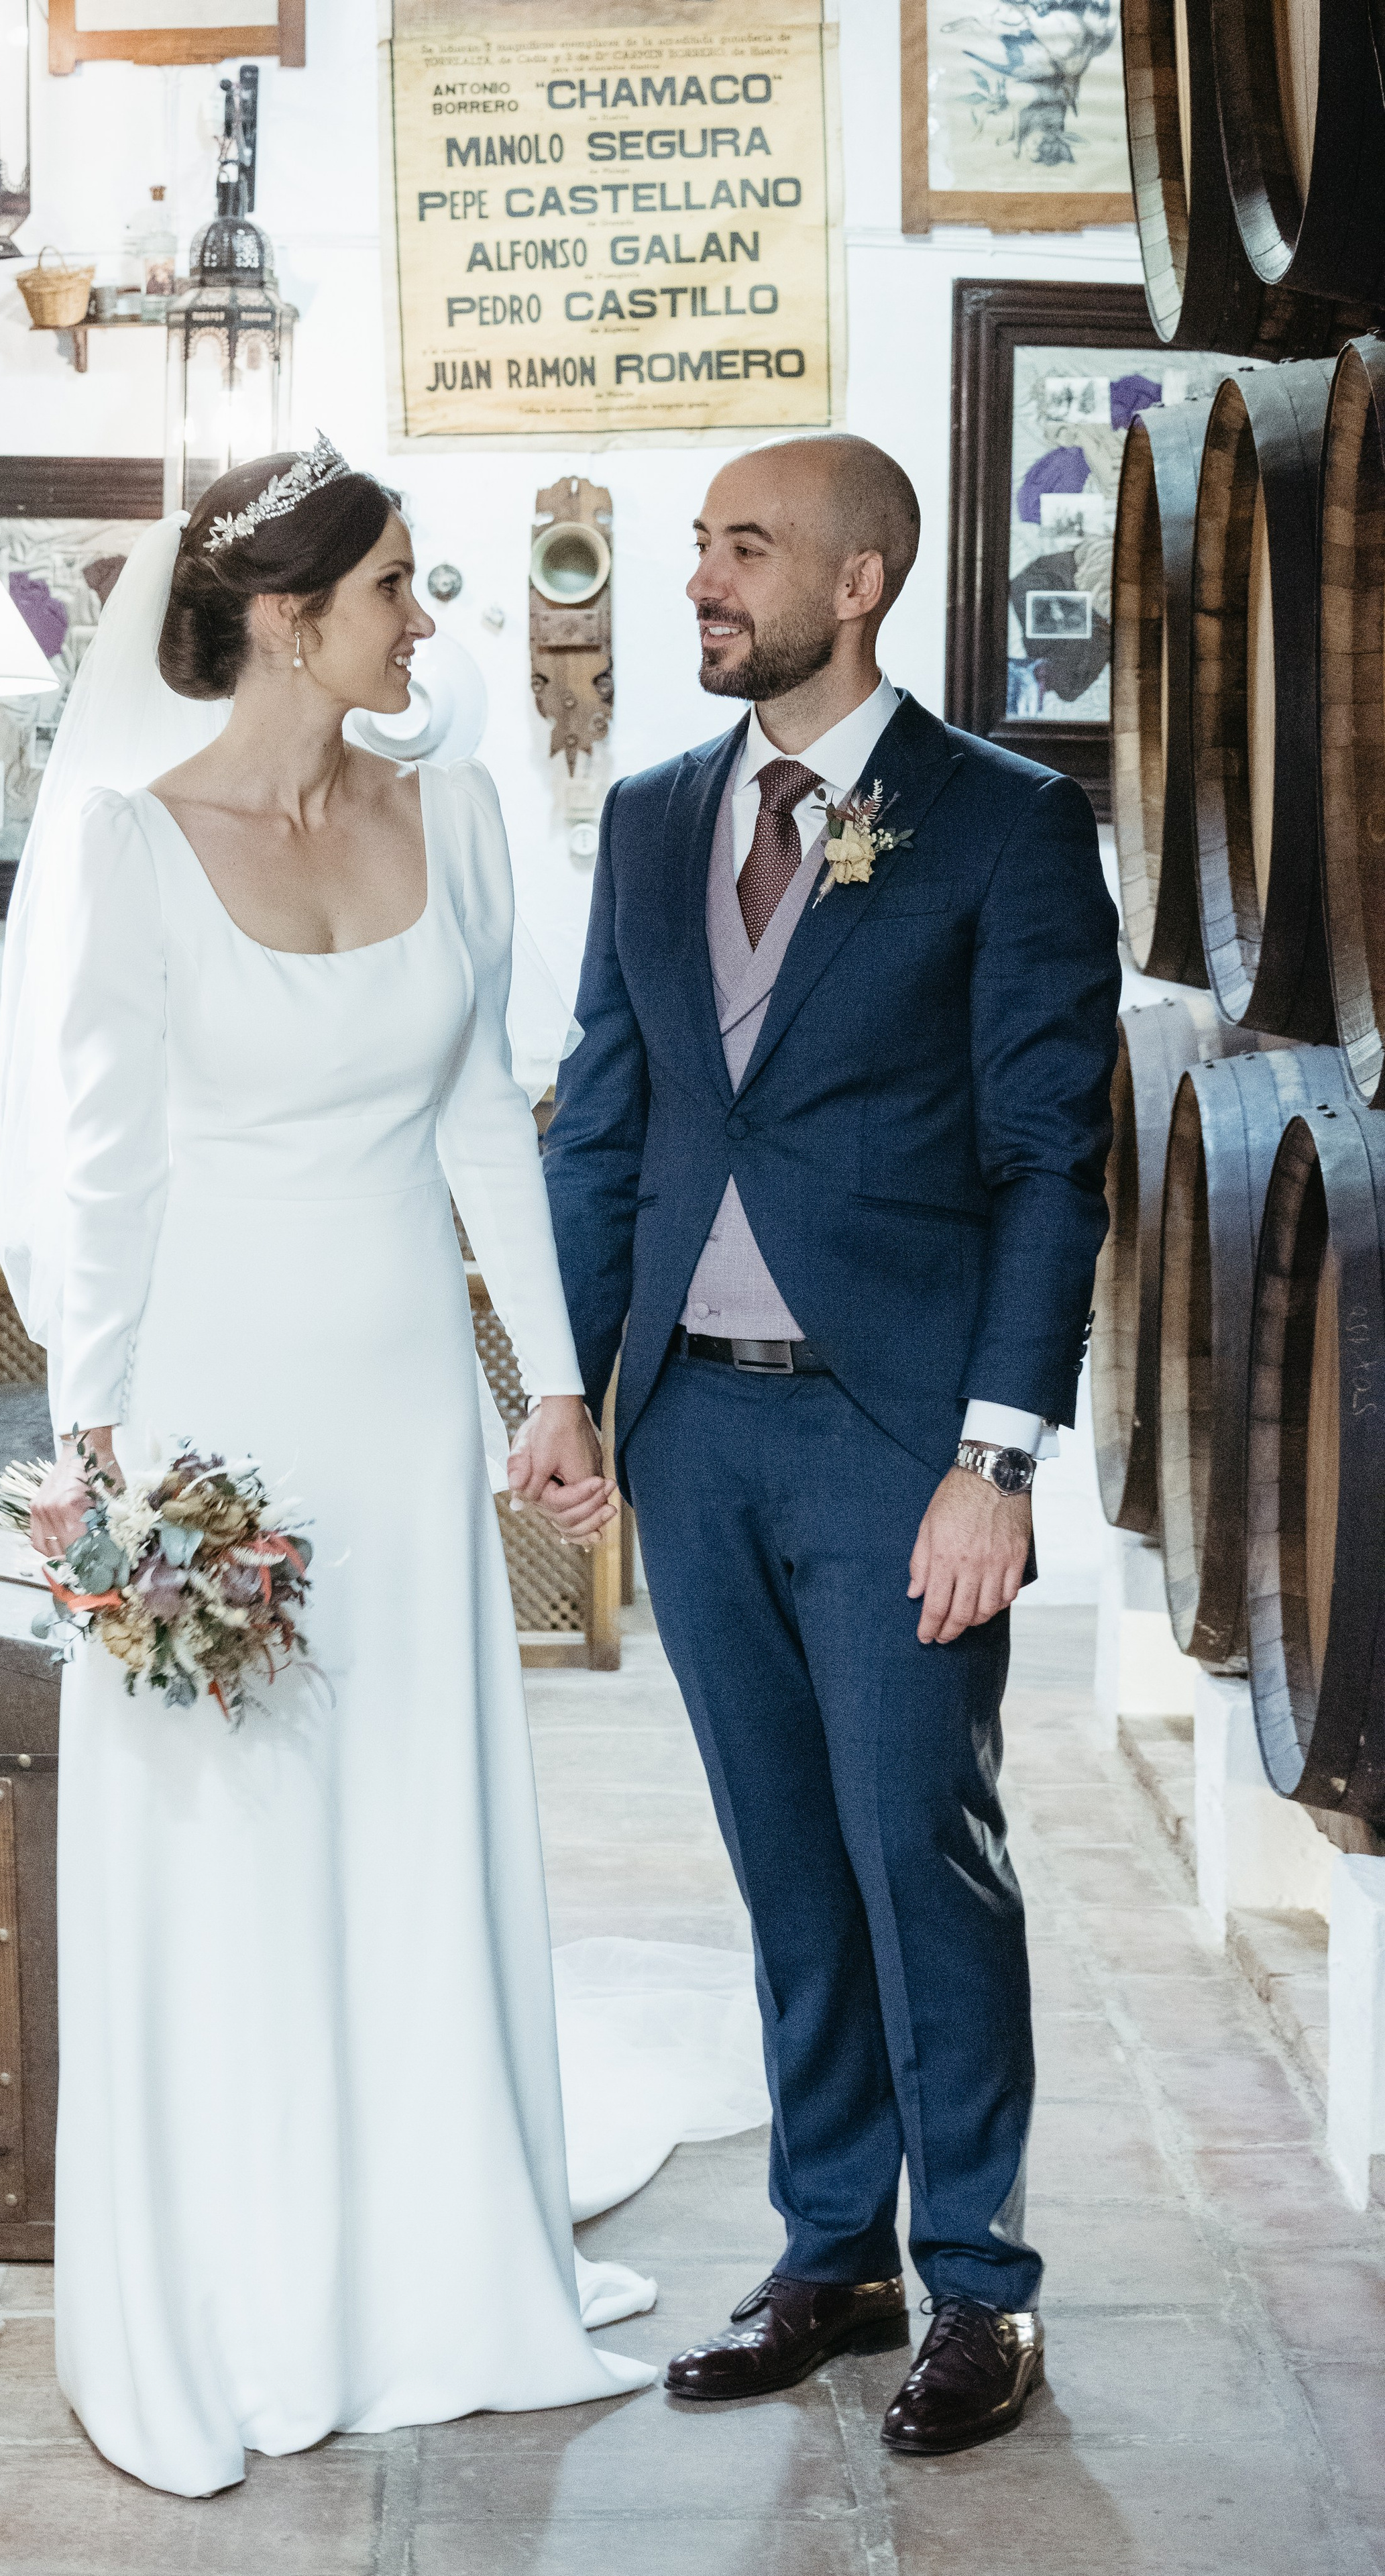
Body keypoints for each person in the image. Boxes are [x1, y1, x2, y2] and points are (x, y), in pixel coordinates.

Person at [0, 438, 661, 2498]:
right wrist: (95, 1457)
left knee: (406, 1824)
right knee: (227, 1855)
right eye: (394, 585)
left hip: (392, 1409)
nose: (424, 618)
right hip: (213, 1423)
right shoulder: (129, 843)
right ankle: (228, 2293)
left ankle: (431, 2264)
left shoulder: (452, 816)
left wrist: (550, 1392)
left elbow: (483, 1126)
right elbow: (100, 1179)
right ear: (290, 619)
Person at [518, 433, 1120, 2455]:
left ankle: (981, 2288)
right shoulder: (657, 816)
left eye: (743, 549)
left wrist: (1000, 1461)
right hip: (697, 1438)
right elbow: (612, 1113)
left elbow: (1052, 1166)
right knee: (786, 1866)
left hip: (899, 1446)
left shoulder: (1007, 829)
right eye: (699, 545)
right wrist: (575, 1384)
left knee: (920, 1862)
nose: (703, 578)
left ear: (860, 583)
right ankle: (830, 2249)